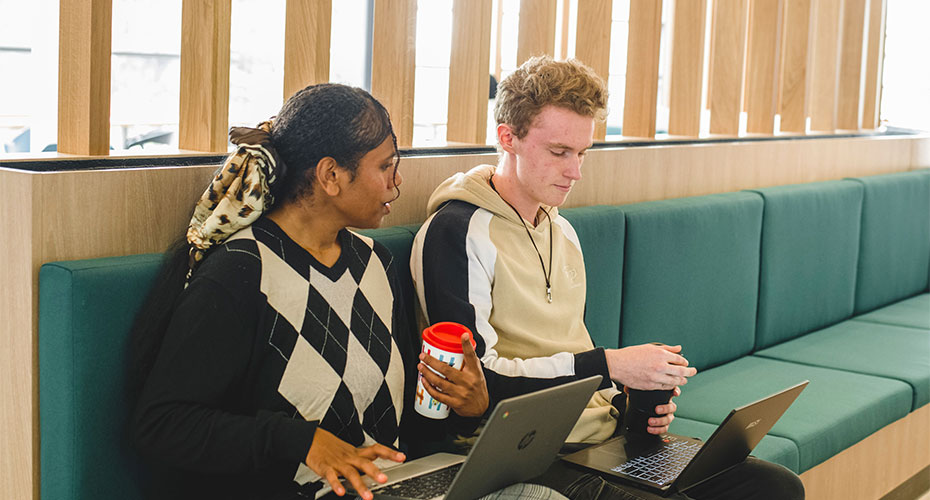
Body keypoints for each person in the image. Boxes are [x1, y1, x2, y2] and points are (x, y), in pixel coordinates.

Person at [130, 84, 559, 500]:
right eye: (385, 166)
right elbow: (164, 425)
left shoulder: (375, 262)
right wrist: (304, 442)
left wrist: (464, 404)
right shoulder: (242, 272)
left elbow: (405, 427)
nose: (397, 182)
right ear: (331, 176)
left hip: (395, 483)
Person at [410, 56, 805, 500]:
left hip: (597, 440)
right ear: (509, 137)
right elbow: (474, 381)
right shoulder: (457, 232)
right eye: (559, 152)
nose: (575, 172)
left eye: (582, 154)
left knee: (773, 486)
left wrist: (629, 400)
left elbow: (570, 348)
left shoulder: (562, 230)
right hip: (522, 453)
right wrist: (611, 366)